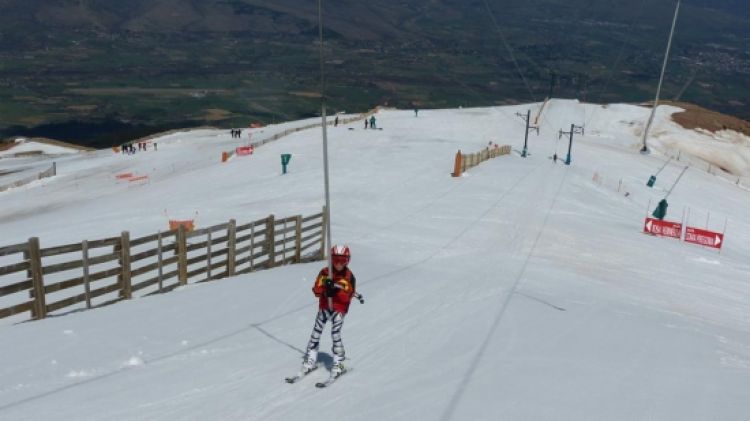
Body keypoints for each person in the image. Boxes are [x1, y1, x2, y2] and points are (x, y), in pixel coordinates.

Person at [299, 245, 363, 377]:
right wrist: (324, 289)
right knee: (316, 332)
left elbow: (348, 296)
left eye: (342, 261)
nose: (339, 264)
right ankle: (311, 359)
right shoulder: (324, 272)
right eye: (335, 260)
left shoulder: (349, 276)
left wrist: (336, 291)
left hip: (339, 308)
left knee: (335, 333)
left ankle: (339, 362)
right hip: (324, 306)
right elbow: (315, 290)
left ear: (347, 261)